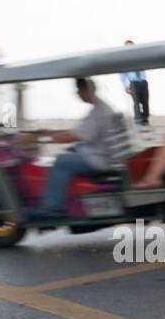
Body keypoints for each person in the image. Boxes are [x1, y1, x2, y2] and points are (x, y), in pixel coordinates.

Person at [22, 78, 119, 218]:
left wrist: (37, 139)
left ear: (87, 91)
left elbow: (72, 136)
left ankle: (51, 207)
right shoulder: (98, 108)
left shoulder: (99, 112)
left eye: (79, 91)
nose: (78, 94)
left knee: (60, 161)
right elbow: (77, 131)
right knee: (66, 156)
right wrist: (48, 132)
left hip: (98, 159)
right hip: (95, 153)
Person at [120, 40, 149, 126]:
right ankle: (138, 122)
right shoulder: (124, 60)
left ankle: (145, 120)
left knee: (145, 102)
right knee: (136, 103)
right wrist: (125, 86)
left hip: (143, 82)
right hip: (133, 83)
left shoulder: (140, 57)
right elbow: (122, 75)